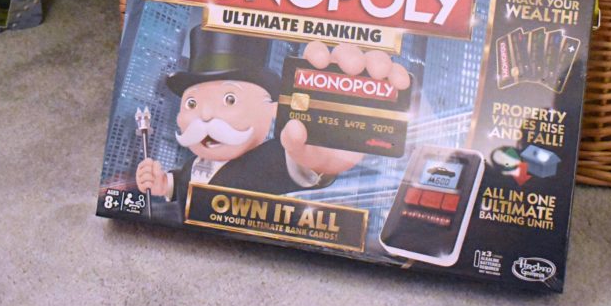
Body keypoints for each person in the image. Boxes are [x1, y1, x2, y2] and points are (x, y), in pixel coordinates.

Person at [136, 27, 411, 215]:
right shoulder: (193, 164)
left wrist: (327, 140)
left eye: (229, 99)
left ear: (272, 110)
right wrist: (164, 183)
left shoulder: (271, 158)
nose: (205, 115)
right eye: (192, 103)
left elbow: (299, 159)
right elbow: (184, 183)